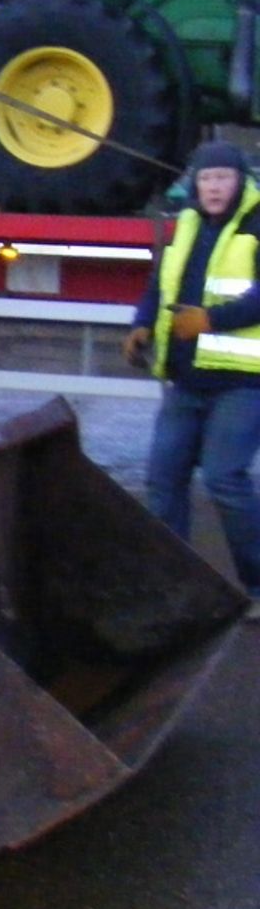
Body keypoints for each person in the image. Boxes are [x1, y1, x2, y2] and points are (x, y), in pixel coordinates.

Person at [124, 139, 260, 598]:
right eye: (206, 179)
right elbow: (160, 286)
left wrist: (211, 320)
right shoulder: (185, 226)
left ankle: (258, 586)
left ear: (240, 182)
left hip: (242, 383)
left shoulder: (257, 226)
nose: (215, 187)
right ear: (195, 185)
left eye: (223, 178)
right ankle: (173, 585)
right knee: (163, 481)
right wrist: (141, 325)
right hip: (183, 381)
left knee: (225, 480)